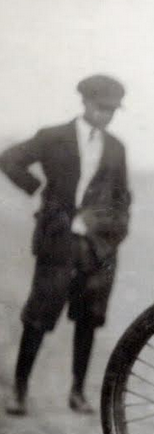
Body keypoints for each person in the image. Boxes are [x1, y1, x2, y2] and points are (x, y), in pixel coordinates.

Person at [1, 75, 130, 416]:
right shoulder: (52, 136)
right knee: (38, 316)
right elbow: (9, 159)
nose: (106, 115)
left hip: (97, 248)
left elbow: (122, 198)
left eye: (112, 110)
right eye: (101, 108)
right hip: (57, 242)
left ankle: (77, 393)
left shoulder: (116, 147)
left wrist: (112, 232)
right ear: (85, 102)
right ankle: (20, 391)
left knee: (88, 318)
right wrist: (38, 193)